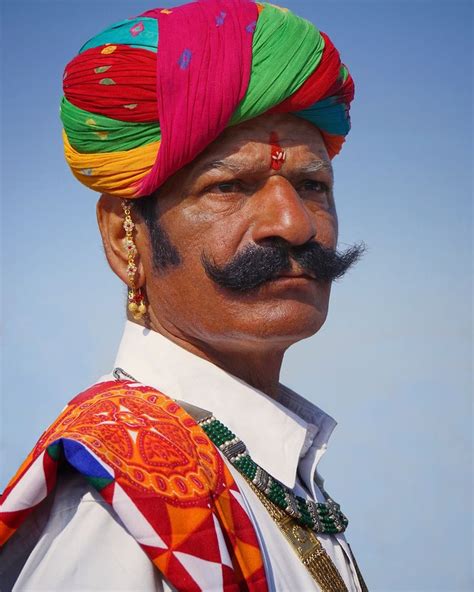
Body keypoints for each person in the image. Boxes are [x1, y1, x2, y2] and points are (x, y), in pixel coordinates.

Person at [0, 1, 367, 590]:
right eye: (229, 186)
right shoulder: (118, 503)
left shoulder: (266, 466)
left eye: (312, 185)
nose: (293, 223)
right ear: (126, 238)